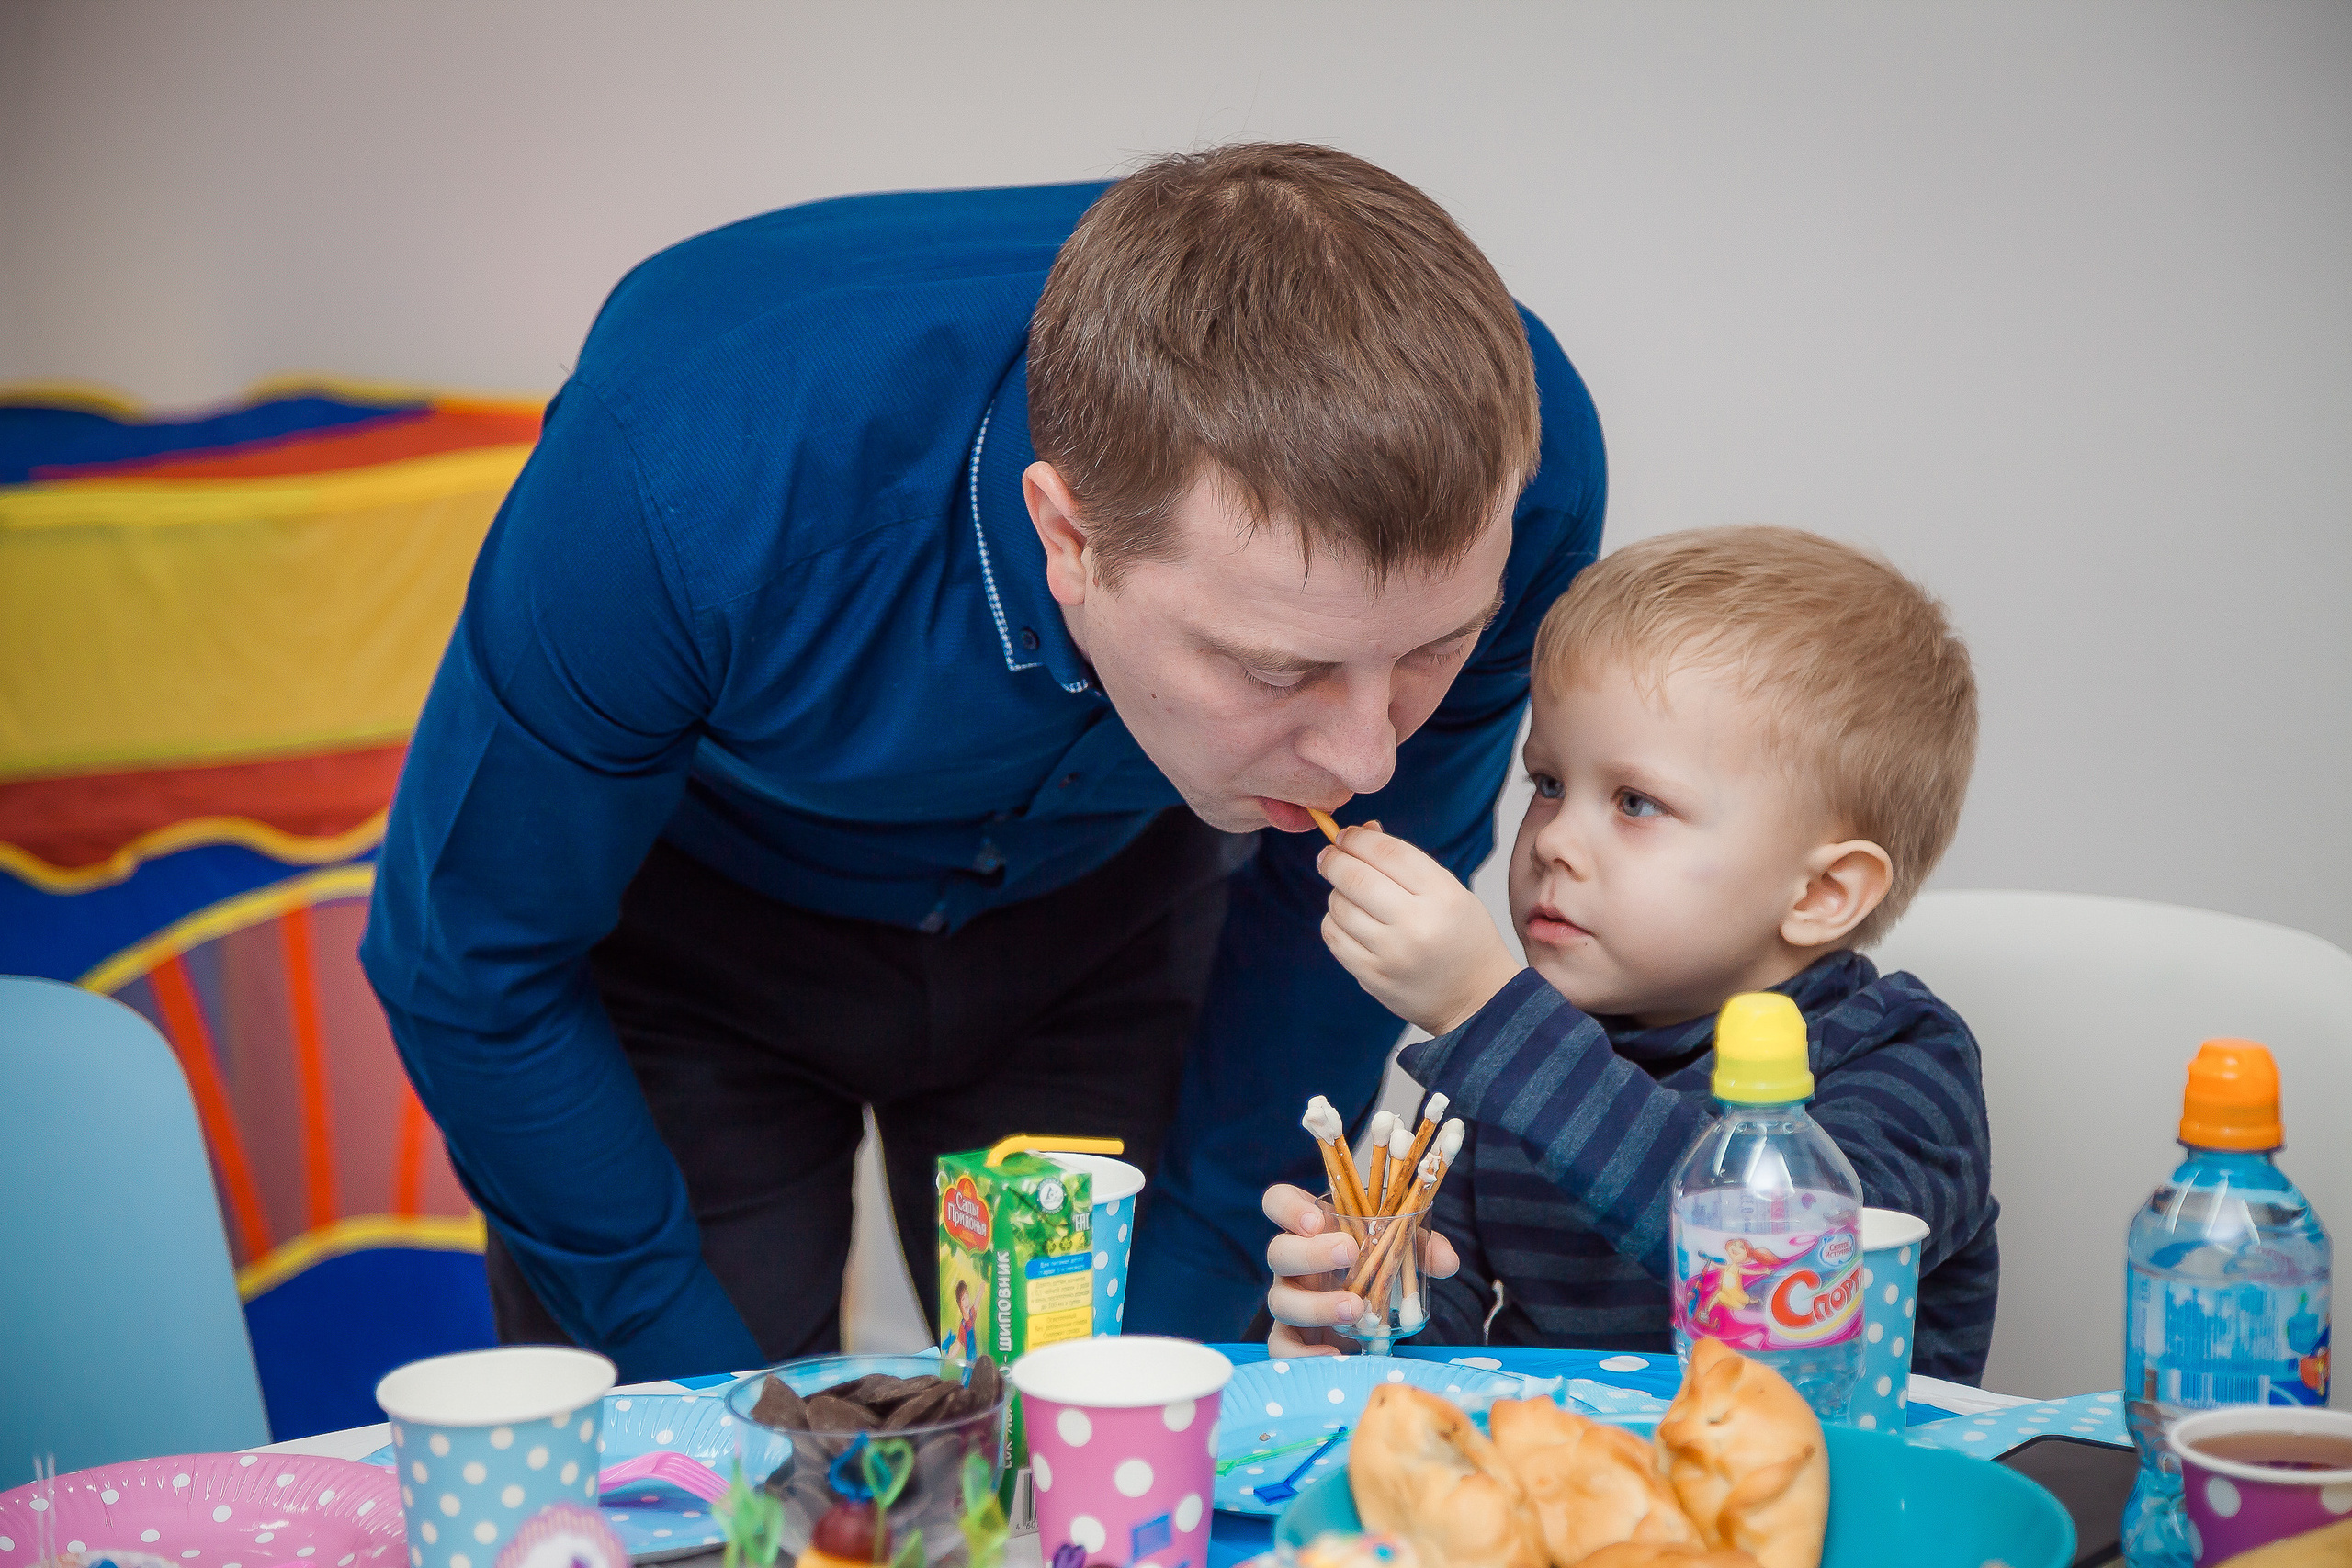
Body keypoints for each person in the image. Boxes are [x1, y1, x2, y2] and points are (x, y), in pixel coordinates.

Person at [358, 142, 1609, 1379]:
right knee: (710, 1466)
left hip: (1107, 926)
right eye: (1280, 670)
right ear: (1067, 533)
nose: (1369, 758)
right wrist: (696, 1392)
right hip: (696, 955)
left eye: (1432, 649)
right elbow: (473, 955)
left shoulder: (1526, 462)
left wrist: (1175, 1341)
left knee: (1129, 1428)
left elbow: (1333, 925)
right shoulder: (679, 477)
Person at [1261, 526, 2001, 1382]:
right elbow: (1445, 1357)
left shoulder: (1904, 1058)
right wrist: (1362, 1312)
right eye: (1548, 784)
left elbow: (1781, 1272)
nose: (1554, 841)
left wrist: (1486, 1013)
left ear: (1820, 893)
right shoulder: (1511, 1062)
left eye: (1636, 802)